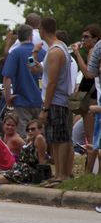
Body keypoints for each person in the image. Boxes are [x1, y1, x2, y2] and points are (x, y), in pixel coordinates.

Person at [34, 17, 74, 181]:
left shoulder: (56, 51)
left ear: (43, 30)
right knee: (54, 138)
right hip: (56, 101)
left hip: (56, 101)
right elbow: (43, 71)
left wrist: (45, 108)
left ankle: (62, 174)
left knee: (60, 138)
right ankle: (58, 173)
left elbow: (52, 82)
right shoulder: (57, 48)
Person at [2, 24, 46, 137]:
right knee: (41, 134)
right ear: (31, 36)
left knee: (24, 135)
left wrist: (7, 98)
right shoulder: (42, 52)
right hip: (41, 100)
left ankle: (26, 154)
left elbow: (7, 77)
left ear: (18, 37)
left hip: (21, 100)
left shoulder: (15, 53)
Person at [70, 24, 101, 172]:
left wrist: (77, 54)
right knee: (91, 137)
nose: (83, 40)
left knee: (91, 137)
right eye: (82, 37)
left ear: (96, 38)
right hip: (91, 96)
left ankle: (90, 171)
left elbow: (88, 73)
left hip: (92, 98)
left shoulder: (93, 52)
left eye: (87, 37)